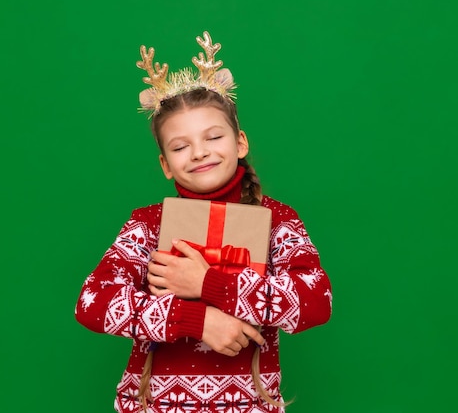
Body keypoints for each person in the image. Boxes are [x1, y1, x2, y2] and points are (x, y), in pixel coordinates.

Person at [75, 31, 332, 413]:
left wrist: (208, 283)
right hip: (156, 404)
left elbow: (315, 301)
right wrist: (194, 318)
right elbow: (94, 302)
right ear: (165, 164)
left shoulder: (277, 219)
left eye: (213, 137)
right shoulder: (148, 224)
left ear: (240, 142)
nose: (199, 152)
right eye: (179, 146)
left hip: (248, 404)